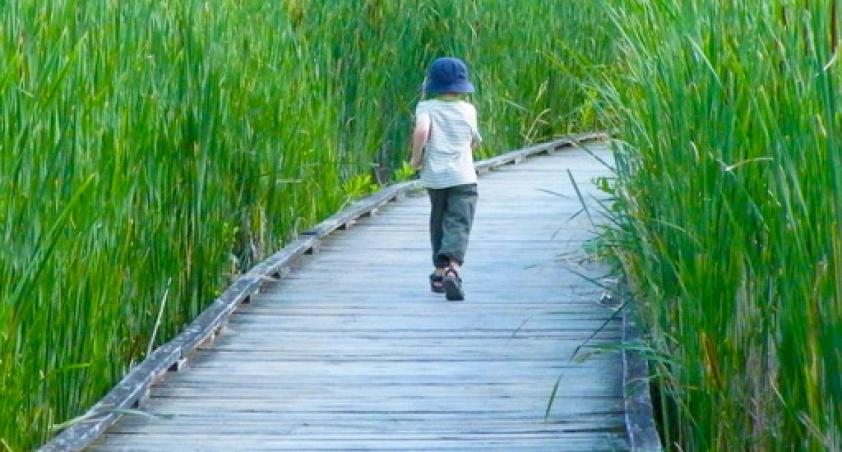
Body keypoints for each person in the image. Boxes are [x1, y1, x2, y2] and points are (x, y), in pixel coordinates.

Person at [410, 57, 481, 301]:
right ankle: (453, 268)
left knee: (438, 221)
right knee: (459, 222)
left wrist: (415, 159)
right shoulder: (468, 110)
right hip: (463, 177)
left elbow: (421, 131)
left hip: (435, 177)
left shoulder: (426, 107)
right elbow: (473, 141)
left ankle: (439, 272)